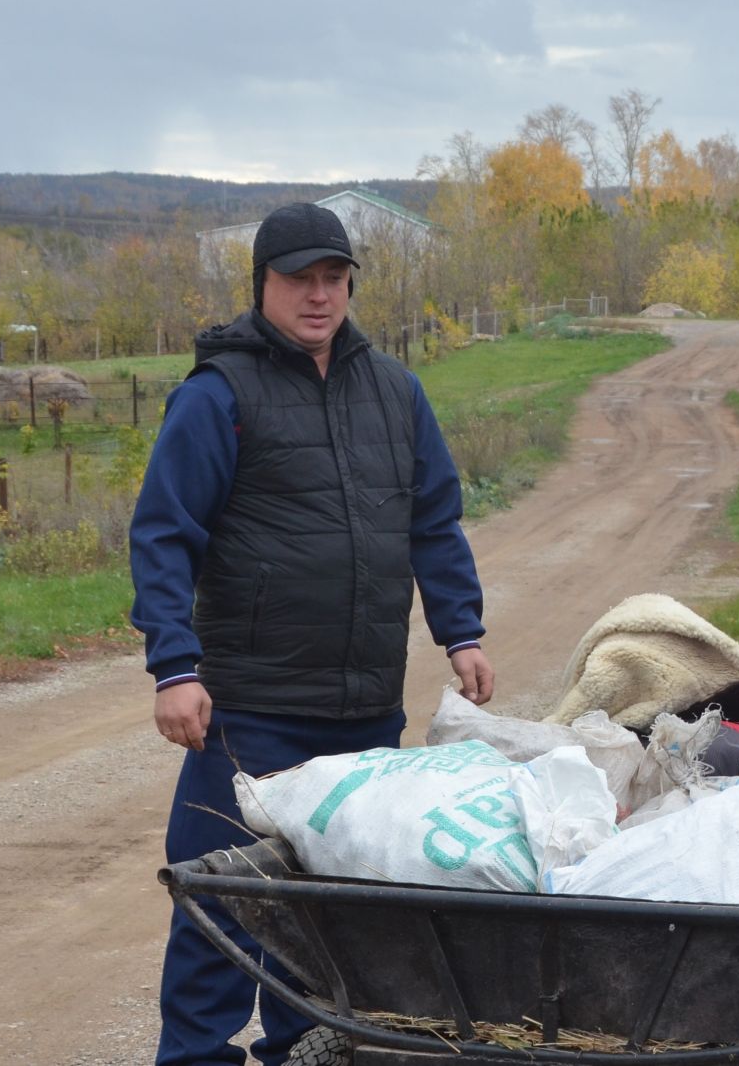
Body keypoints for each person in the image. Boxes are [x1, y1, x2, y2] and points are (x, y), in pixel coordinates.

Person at [130, 202, 496, 1066]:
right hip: (251, 708)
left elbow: (433, 522)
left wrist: (462, 632)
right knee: (224, 905)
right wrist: (173, 667)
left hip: (364, 711)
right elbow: (163, 534)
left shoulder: (395, 392)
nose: (320, 295)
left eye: (334, 278)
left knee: (336, 915)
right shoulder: (219, 396)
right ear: (263, 285)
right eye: (301, 279)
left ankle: (311, 1054)